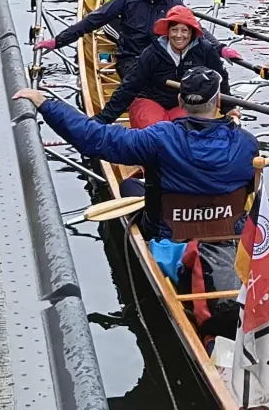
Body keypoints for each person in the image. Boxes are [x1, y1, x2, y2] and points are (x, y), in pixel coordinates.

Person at [16, 67, 256, 339]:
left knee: (130, 185)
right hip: (226, 233)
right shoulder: (247, 144)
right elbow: (250, 188)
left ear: (180, 102)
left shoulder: (159, 137)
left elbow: (94, 139)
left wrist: (47, 104)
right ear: (219, 102)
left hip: (169, 234)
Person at [38, 0, 182, 77]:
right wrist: (58, 41)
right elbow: (94, 20)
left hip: (162, 57)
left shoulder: (174, 1)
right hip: (131, 58)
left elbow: (194, 28)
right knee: (145, 85)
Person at [96, 6, 237, 128]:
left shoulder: (204, 49)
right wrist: (104, 119)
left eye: (184, 31)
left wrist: (229, 108)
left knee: (187, 131)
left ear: (192, 32)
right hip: (151, 100)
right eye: (174, 30)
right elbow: (130, 86)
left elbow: (220, 77)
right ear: (167, 32)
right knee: (154, 132)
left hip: (187, 103)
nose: (179, 36)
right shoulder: (153, 52)